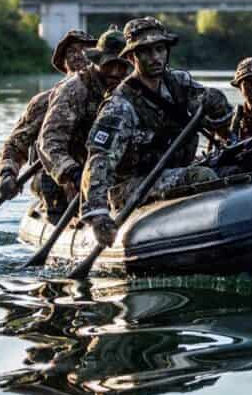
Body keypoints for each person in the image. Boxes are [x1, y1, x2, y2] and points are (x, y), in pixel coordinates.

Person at [80, 17, 233, 247]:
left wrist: (217, 102)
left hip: (174, 169)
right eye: (146, 52)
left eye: (160, 49)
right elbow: (99, 159)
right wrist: (99, 215)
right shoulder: (121, 106)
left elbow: (220, 120)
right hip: (132, 185)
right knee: (203, 178)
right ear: (132, 57)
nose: (155, 58)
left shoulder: (179, 83)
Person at [0, 30, 97, 209]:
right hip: (60, 182)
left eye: (85, 50)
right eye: (71, 51)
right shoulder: (45, 101)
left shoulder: (112, 94)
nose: (78, 55)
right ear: (64, 63)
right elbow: (16, 144)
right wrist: (7, 173)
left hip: (99, 176)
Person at [37, 28, 131, 219]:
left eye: (121, 66)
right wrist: (74, 173)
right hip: (72, 172)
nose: (115, 72)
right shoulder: (74, 90)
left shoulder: (132, 87)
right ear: (97, 61)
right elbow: (49, 141)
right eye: (109, 65)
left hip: (113, 169)